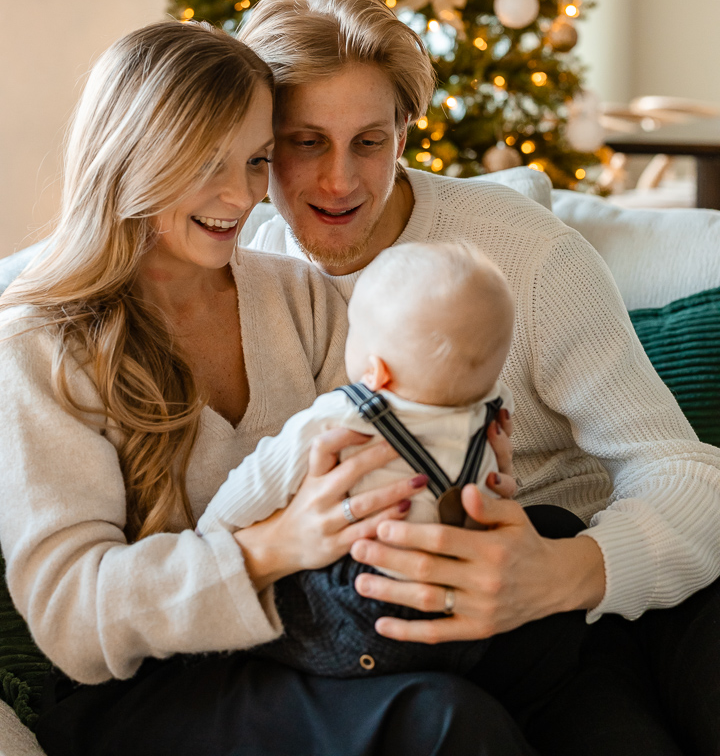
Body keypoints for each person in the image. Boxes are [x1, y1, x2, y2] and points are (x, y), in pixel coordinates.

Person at [0, 21, 533, 756]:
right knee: (441, 719)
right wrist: (270, 546)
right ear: (131, 156)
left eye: (256, 159)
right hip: (151, 689)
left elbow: (379, 448)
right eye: (206, 162)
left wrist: (462, 487)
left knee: (552, 615)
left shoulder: (298, 296)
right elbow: (72, 618)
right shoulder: (40, 344)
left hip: (313, 635)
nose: (242, 195)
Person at [239, 0, 720, 756]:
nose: (339, 181)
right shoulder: (239, 279)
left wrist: (567, 572)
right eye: (305, 142)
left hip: (578, 605)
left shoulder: (523, 254)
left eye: (369, 141)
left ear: (404, 133)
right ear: (261, 146)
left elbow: (685, 471)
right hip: (398, 653)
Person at [198, 240, 587, 701]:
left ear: (376, 371)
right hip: (464, 626)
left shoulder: (342, 417)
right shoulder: (492, 410)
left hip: (366, 625)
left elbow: (254, 484)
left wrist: (211, 537)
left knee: (253, 628)